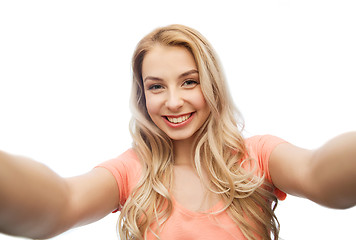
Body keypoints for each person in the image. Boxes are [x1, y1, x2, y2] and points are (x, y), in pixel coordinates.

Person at [0, 24, 355, 240]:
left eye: (189, 82)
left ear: (212, 84)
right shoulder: (131, 172)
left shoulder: (258, 155)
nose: (173, 101)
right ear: (142, 95)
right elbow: (61, 203)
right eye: (156, 87)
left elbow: (319, 176)